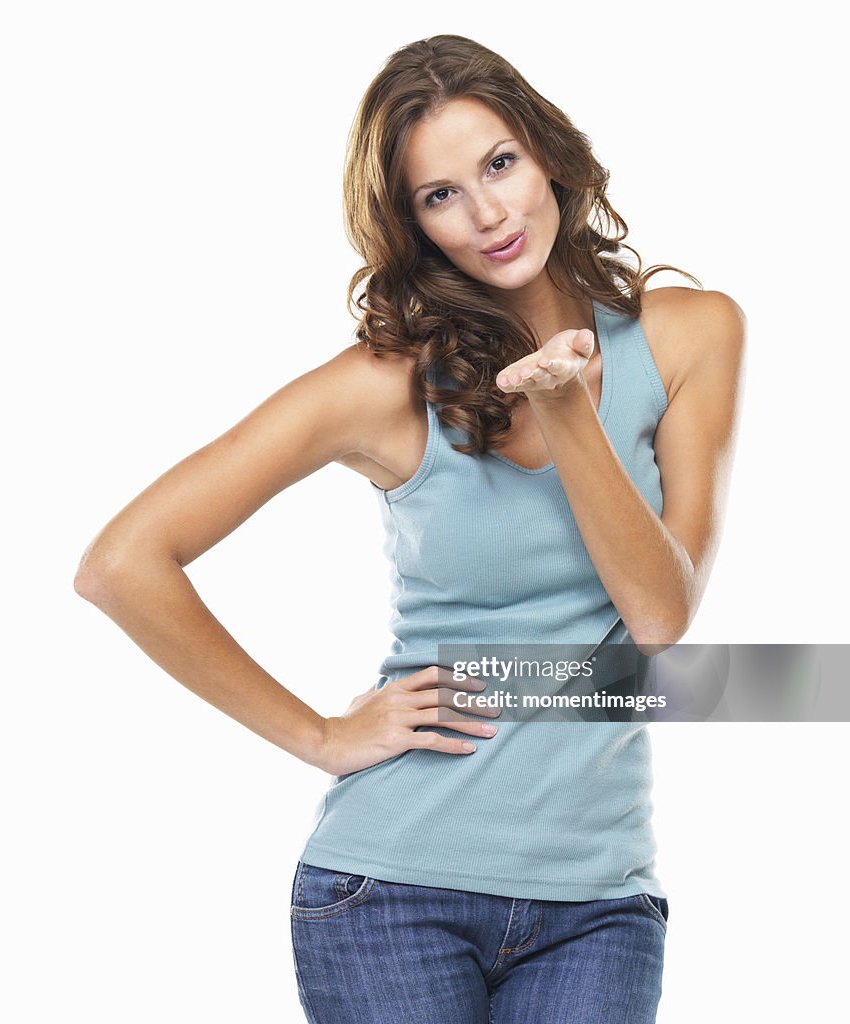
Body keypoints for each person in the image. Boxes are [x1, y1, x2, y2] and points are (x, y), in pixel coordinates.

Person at [74, 33, 745, 1024]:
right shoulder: (384, 385)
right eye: (440, 196)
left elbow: (657, 617)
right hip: (390, 895)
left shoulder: (691, 333)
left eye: (499, 164)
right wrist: (318, 734)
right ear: (414, 225)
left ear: (548, 152)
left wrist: (564, 404)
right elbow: (122, 563)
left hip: (599, 899)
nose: (486, 214)